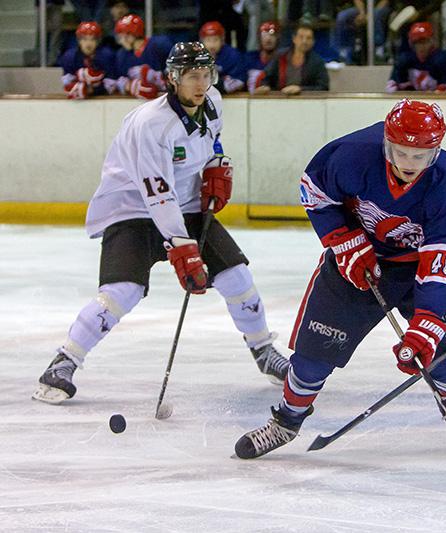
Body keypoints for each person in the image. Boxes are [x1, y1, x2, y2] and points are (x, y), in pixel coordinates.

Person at [33, 42, 289, 405]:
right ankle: (64, 361)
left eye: (206, 75)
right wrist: (182, 247)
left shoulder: (213, 102)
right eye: (192, 76)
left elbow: (212, 143)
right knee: (123, 291)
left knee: (236, 276)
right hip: (132, 208)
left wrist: (215, 167)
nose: (201, 84)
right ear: (172, 78)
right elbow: (158, 193)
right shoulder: (151, 124)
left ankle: (263, 349)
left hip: (185, 204)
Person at [234, 100, 446, 459]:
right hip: (359, 262)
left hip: (421, 268)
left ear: (436, 151)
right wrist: (342, 238)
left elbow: (442, 260)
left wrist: (427, 321)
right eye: (401, 152)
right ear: (386, 142)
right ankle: (286, 421)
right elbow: (314, 191)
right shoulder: (352, 155)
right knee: (313, 355)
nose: (408, 164)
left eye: (420, 156)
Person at [252, 23, 329, 95]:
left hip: (305, 100)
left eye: (308, 38)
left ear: (313, 42)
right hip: (279, 98)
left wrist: (300, 89)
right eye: (301, 37)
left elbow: (323, 87)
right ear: (294, 39)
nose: (304, 41)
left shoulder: (317, 62)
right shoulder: (280, 56)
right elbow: (265, 77)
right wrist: (265, 87)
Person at [111, 14, 173, 99]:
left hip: (164, 98)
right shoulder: (122, 55)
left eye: (123, 37)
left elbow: (175, 75)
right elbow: (120, 80)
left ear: (132, 35)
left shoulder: (160, 45)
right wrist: (128, 85)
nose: (121, 41)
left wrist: (159, 80)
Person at [386, 22, 446, 92]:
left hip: (435, 98)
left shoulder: (442, 60)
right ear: (411, 44)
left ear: (432, 41)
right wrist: (398, 87)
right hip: (410, 98)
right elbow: (391, 87)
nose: (421, 46)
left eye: (425, 41)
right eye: (417, 42)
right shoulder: (403, 60)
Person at [58, 21, 116, 99]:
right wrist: (76, 88)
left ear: (98, 41)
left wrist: (92, 90)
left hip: (103, 98)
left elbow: (111, 83)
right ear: (79, 41)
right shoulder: (70, 56)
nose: (88, 43)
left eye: (92, 39)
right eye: (85, 39)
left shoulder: (106, 55)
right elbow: (67, 83)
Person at [199, 21, 245, 94]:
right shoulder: (197, 55)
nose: (212, 45)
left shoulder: (233, 55)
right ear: (202, 41)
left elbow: (239, 82)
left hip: (229, 96)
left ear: (222, 40)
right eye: (208, 40)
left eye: (215, 40)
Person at [244, 21, 280, 94]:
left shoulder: (282, 60)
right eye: (264, 35)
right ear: (259, 38)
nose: (268, 39)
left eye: (272, 35)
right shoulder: (249, 58)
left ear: (278, 37)